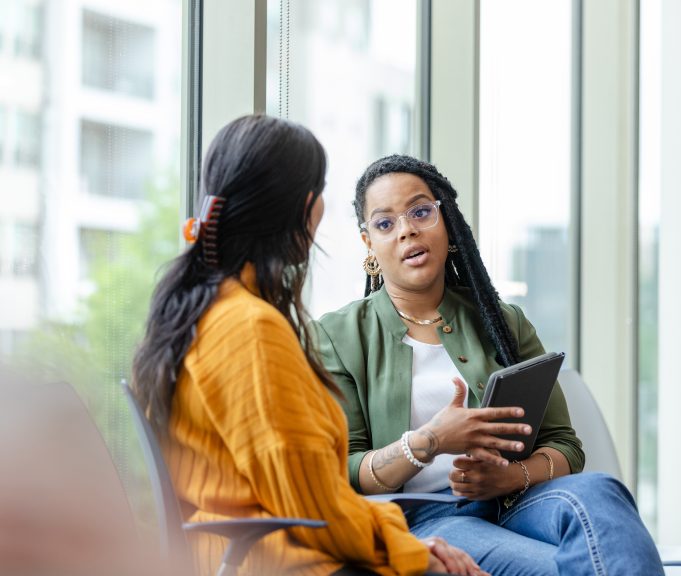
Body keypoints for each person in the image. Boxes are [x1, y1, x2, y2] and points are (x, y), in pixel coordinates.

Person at [131, 116, 486, 576]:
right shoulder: (250, 330)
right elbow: (316, 510)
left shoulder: (202, 311)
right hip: (282, 561)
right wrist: (415, 552)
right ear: (306, 209)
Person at [314, 155, 665, 575]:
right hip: (433, 520)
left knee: (602, 491)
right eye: (385, 223)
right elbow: (345, 470)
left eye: (421, 211)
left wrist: (509, 477)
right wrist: (429, 441)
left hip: (519, 500)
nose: (407, 229)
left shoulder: (503, 321)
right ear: (368, 243)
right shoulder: (337, 336)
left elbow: (566, 446)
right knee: (567, 568)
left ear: (447, 222)